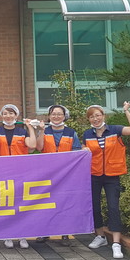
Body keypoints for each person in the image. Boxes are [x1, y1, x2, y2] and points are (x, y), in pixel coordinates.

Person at [83, 102, 130, 259]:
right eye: (92, 117)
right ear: (89, 119)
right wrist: (83, 148)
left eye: (97, 115)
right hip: (94, 175)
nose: (95, 119)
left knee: (113, 207)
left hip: (112, 175)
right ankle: (100, 236)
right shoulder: (87, 134)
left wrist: (126, 111)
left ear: (103, 116)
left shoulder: (115, 130)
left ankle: (116, 243)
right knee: (94, 207)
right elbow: (84, 151)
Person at [35, 104, 81, 246]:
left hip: (65, 174)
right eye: (53, 114)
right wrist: (41, 131)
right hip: (47, 173)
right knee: (46, 202)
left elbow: (76, 151)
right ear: (49, 116)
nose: (56, 116)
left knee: (64, 202)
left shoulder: (71, 132)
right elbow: (38, 147)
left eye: (59, 114)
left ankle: (65, 232)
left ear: (64, 116)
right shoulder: (45, 130)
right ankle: (44, 232)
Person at [0, 103, 39, 249]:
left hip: (21, 173)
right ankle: (7, 235)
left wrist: (30, 127)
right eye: (5, 113)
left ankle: (22, 235)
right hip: (3, 172)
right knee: (6, 203)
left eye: (11, 113)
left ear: (16, 115)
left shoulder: (22, 131)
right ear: (1, 116)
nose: (8, 116)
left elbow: (32, 145)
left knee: (21, 203)